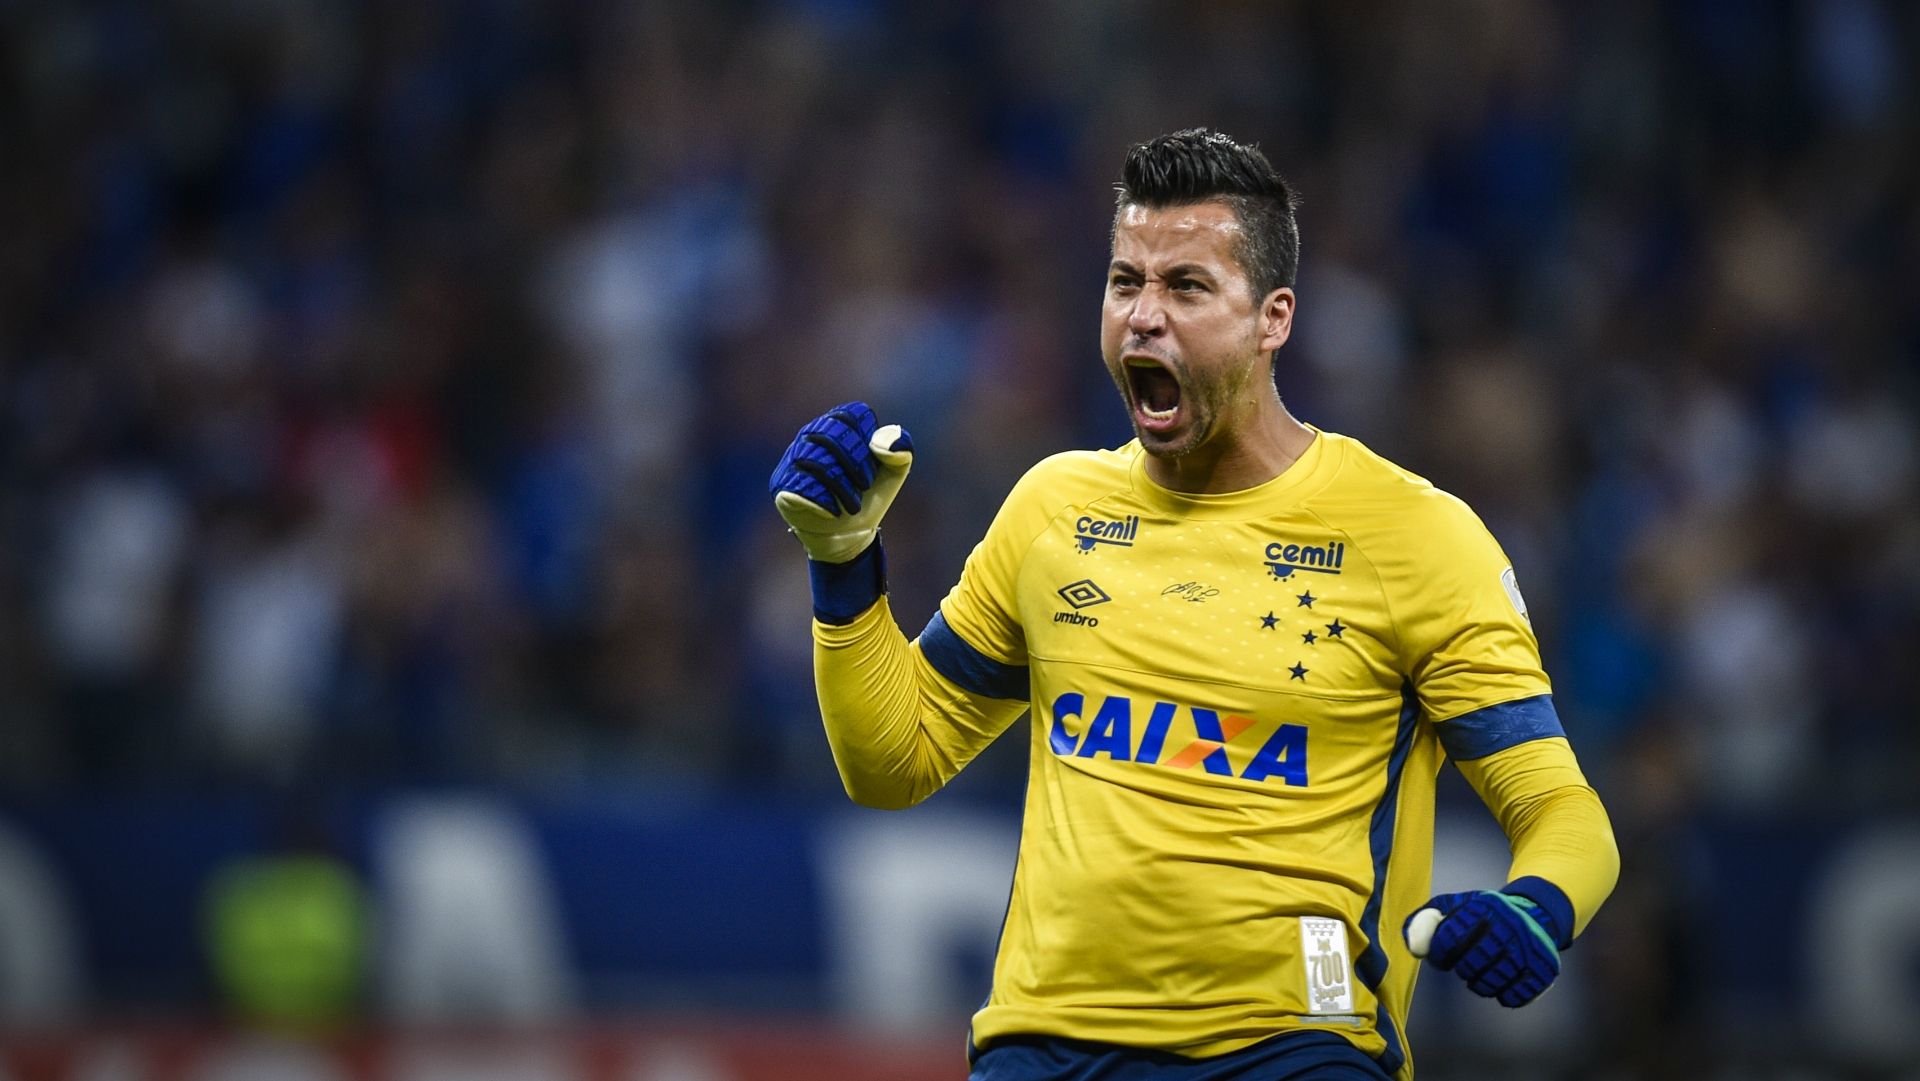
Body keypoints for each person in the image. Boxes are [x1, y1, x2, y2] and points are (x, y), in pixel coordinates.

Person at [769, 128, 1618, 1081]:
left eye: (1185, 286)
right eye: (1125, 281)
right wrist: (842, 561)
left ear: (1274, 318)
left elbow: (1563, 809)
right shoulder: (1056, 508)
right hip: (1044, 1046)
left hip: (1297, 1045)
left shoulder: (1416, 538)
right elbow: (895, 761)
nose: (1142, 317)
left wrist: (1537, 906)